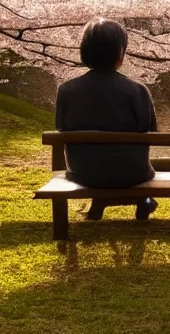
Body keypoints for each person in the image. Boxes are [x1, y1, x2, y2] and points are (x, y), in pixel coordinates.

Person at [55, 18, 158, 221]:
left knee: (101, 161)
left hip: (83, 173)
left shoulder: (67, 90)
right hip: (133, 175)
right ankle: (144, 201)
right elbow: (151, 131)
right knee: (127, 163)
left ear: (85, 50)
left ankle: (103, 203)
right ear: (120, 52)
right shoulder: (137, 91)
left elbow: (60, 127)